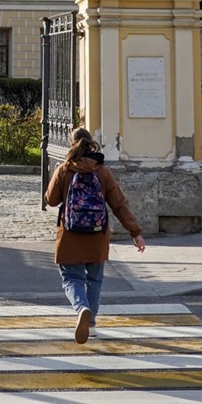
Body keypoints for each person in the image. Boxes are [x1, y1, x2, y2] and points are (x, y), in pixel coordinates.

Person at [45, 127, 144, 344]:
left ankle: (82, 308)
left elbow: (51, 200)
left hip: (70, 235)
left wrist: (57, 173)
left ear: (71, 144)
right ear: (91, 143)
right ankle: (91, 323)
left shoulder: (65, 169)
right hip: (97, 235)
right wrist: (135, 232)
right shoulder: (102, 171)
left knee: (71, 277)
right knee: (95, 279)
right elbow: (119, 203)